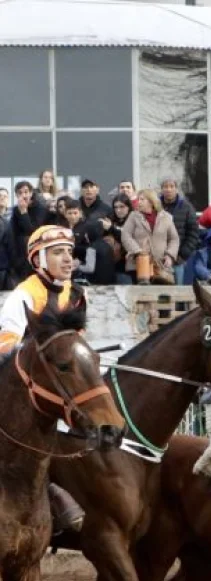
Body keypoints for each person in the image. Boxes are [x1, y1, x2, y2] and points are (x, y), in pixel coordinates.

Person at [0, 224, 87, 533]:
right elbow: (6, 345)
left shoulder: (75, 294)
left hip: (62, 380)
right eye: (58, 252)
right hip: (25, 386)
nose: (67, 259)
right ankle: (50, 490)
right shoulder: (24, 294)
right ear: (38, 260)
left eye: (69, 252)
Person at [121, 188, 179, 285]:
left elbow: (174, 239)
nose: (139, 202)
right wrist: (137, 251)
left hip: (160, 266)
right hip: (138, 265)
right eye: (138, 199)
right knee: (140, 293)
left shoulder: (166, 217)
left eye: (142, 199)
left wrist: (170, 255)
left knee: (161, 293)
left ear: (151, 201)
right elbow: (125, 236)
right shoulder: (133, 216)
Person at [160, 178, 200, 284]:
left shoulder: (187, 207)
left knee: (178, 289)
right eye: (165, 187)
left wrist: (182, 255)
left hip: (178, 258)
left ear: (176, 189)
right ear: (161, 190)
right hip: (158, 258)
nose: (168, 189)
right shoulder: (155, 207)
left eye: (171, 186)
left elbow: (193, 233)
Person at [9, 180, 50, 285]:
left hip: (35, 250)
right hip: (19, 252)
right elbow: (13, 232)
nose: (24, 195)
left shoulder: (40, 208)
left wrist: (24, 212)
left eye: (26, 192)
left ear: (31, 193)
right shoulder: (16, 209)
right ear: (16, 195)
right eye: (20, 193)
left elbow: (32, 231)